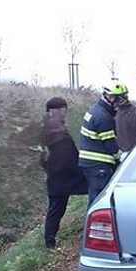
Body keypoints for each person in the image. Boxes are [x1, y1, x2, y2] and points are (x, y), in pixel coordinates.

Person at [41, 97, 88, 248]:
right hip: (60, 176)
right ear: (58, 110)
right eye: (63, 110)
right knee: (56, 209)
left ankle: (50, 241)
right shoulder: (53, 128)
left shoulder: (51, 127)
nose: (65, 113)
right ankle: (49, 242)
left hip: (62, 175)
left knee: (57, 208)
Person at [78, 83, 124, 205]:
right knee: (99, 202)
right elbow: (110, 145)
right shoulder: (104, 118)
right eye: (119, 100)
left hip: (89, 163)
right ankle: (92, 224)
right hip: (99, 166)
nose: (119, 105)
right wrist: (122, 157)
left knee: (94, 198)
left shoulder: (94, 110)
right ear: (112, 99)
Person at [113, 84, 136, 152]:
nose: (119, 100)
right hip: (120, 153)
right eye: (117, 98)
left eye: (121, 97)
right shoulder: (113, 113)